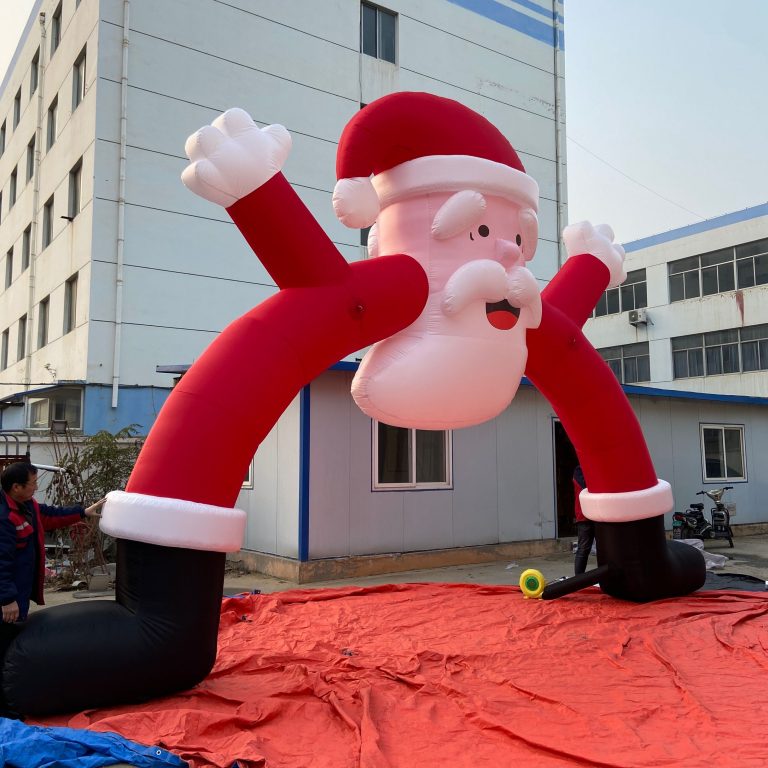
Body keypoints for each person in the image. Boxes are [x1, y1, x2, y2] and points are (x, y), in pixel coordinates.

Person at [0, 462, 104, 716]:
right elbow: (1, 562)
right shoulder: (4, 517)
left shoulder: (28, 506)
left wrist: (83, 512)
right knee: (1, 647)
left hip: (19, 591)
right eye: (33, 483)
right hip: (7, 597)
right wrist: (7, 599)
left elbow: (50, 516)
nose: (37, 487)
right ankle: (3, 707)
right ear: (16, 487)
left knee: (10, 642)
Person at [573, 465, 595, 575]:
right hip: (584, 516)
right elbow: (587, 488)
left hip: (599, 515)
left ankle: (606, 580)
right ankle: (578, 579)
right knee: (583, 549)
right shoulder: (579, 470)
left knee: (604, 551)